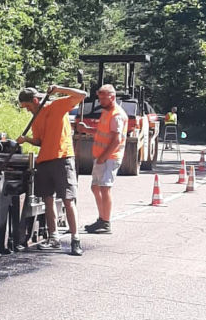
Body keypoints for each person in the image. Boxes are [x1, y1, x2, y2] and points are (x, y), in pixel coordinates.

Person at [16, 85, 87, 255]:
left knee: (68, 200)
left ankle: (75, 239)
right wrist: (26, 139)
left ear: (35, 100)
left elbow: (82, 95)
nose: (27, 111)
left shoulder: (57, 105)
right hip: (44, 161)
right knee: (48, 201)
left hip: (63, 158)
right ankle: (53, 238)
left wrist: (59, 89)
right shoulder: (36, 119)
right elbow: (40, 141)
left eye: (28, 106)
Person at [84, 84, 128, 235]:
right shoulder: (107, 111)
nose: (100, 101)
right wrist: (88, 130)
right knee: (96, 187)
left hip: (109, 158)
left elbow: (116, 140)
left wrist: (103, 157)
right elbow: (103, 132)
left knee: (104, 188)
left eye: (104, 98)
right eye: (100, 98)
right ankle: (101, 219)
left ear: (112, 97)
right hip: (102, 157)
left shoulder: (116, 115)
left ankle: (106, 222)